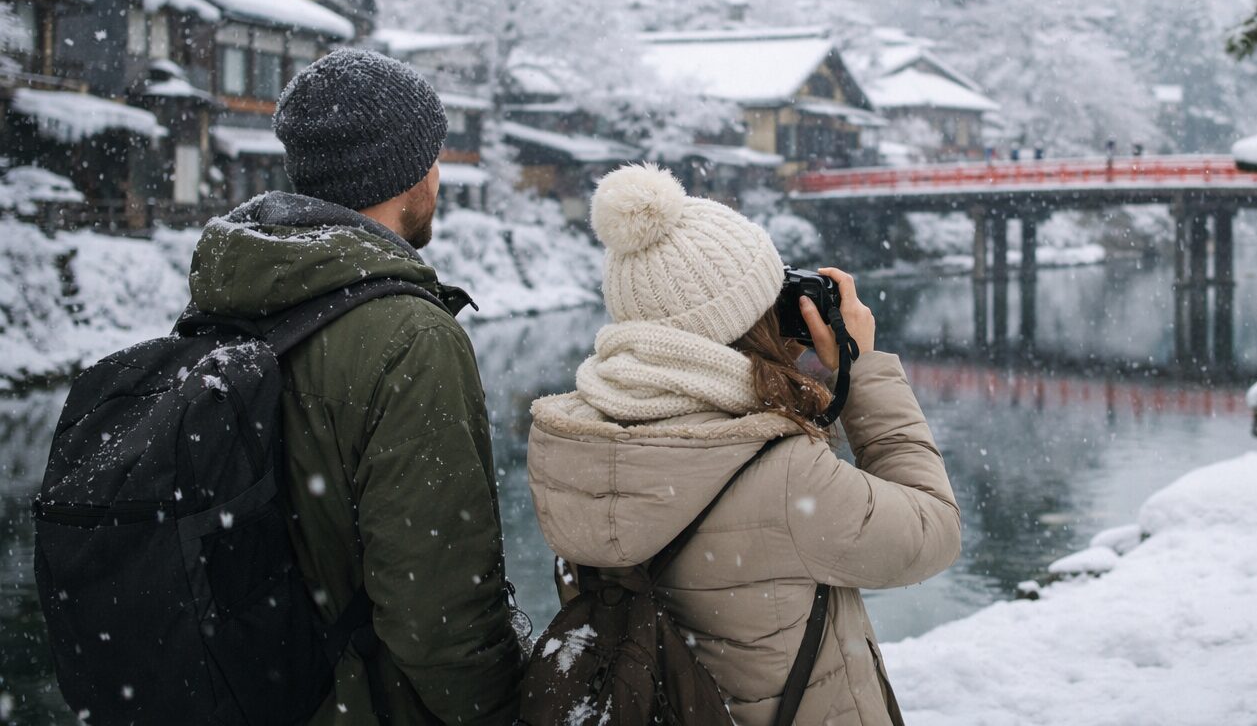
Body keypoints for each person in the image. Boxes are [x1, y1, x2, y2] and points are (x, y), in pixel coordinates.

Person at [526, 164, 961, 725]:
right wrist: (863, 369)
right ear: (755, 319)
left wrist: (779, 374)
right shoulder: (783, 474)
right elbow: (933, 531)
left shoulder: (571, 448)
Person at [186, 48, 523, 724]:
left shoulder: (232, 293)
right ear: (405, 176)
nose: (438, 177)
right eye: (433, 157)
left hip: (248, 692)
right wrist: (502, 708)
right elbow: (442, 617)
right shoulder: (409, 337)